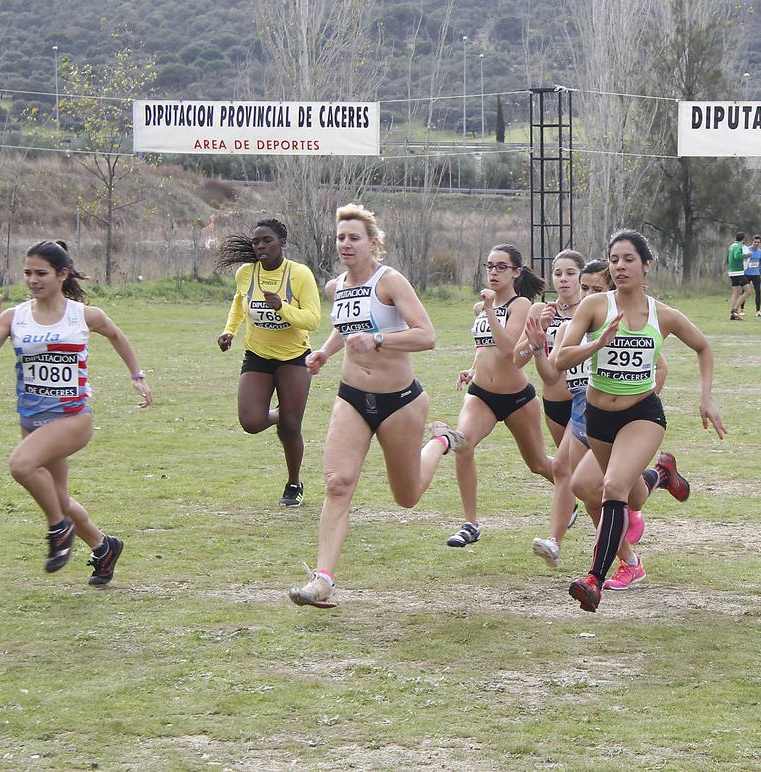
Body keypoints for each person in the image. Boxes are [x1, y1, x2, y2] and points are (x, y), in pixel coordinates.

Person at [552, 230, 726, 612]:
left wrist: (706, 397)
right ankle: (662, 475)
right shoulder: (595, 306)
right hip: (598, 417)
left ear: (646, 265)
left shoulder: (663, 315)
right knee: (631, 494)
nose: (619, 266)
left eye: (628, 259)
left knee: (612, 486)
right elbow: (559, 361)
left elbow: (703, 346)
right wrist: (597, 344)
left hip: (642, 415)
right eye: (613, 259)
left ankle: (594, 578)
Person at [0, 240, 152, 585]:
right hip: (32, 420)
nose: (32, 280)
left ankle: (59, 530)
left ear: (62, 274)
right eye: (27, 273)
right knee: (60, 498)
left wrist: (137, 376)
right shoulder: (15, 317)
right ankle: (104, 547)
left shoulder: (83, 314)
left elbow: (116, 334)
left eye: (41, 273)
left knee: (21, 466)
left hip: (72, 418)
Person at [288, 205, 441, 609]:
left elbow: (426, 336)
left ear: (373, 243)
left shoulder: (389, 282)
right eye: (340, 237)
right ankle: (322, 579)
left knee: (406, 496)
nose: (345, 244)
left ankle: (441, 441)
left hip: (400, 402)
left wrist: (379, 340)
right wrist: (324, 352)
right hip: (351, 396)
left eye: (354, 237)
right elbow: (346, 326)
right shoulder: (335, 287)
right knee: (338, 482)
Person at [443, 244, 555, 548]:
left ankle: (573, 494)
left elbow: (508, 350)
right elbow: (485, 348)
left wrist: (491, 309)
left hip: (517, 397)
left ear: (516, 272)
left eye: (501, 267)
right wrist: (471, 368)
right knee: (462, 444)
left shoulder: (521, 306)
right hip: (481, 394)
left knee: (539, 465)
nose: (493, 272)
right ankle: (471, 524)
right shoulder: (481, 307)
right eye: (489, 266)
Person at [215, 219, 320, 507]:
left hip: (294, 358)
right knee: (251, 421)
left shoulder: (299, 274)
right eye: (256, 241)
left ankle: (294, 483)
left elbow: (312, 319)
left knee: (290, 428)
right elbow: (239, 302)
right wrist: (229, 331)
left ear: (281, 242)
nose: (260, 246)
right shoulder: (246, 273)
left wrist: (282, 308)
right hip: (258, 355)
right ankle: (280, 412)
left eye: (267, 240)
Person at [517, 250, 590, 566]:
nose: (563, 279)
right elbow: (517, 358)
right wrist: (535, 340)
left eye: (570, 273)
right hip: (555, 403)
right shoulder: (539, 309)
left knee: (567, 469)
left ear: (581, 277)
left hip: (587, 399)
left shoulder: (592, 310)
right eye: (557, 273)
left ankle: (554, 540)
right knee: (573, 472)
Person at [745, 235, 761, 317]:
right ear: (752, 242)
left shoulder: (760, 252)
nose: (756, 243)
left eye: (758, 242)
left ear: (760, 243)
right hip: (746, 274)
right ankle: (741, 309)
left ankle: (758, 311)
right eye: (755, 242)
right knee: (744, 292)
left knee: (758, 292)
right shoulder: (747, 250)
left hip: (756, 274)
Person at [726, 231, 749, 321]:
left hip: (731, 272)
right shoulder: (739, 246)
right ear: (743, 239)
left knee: (736, 293)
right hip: (738, 272)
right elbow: (737, 256)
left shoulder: (731, 246)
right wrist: (746, 255)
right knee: (747, 291)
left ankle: (735, 315)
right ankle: (735, 310)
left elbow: (728, 259)